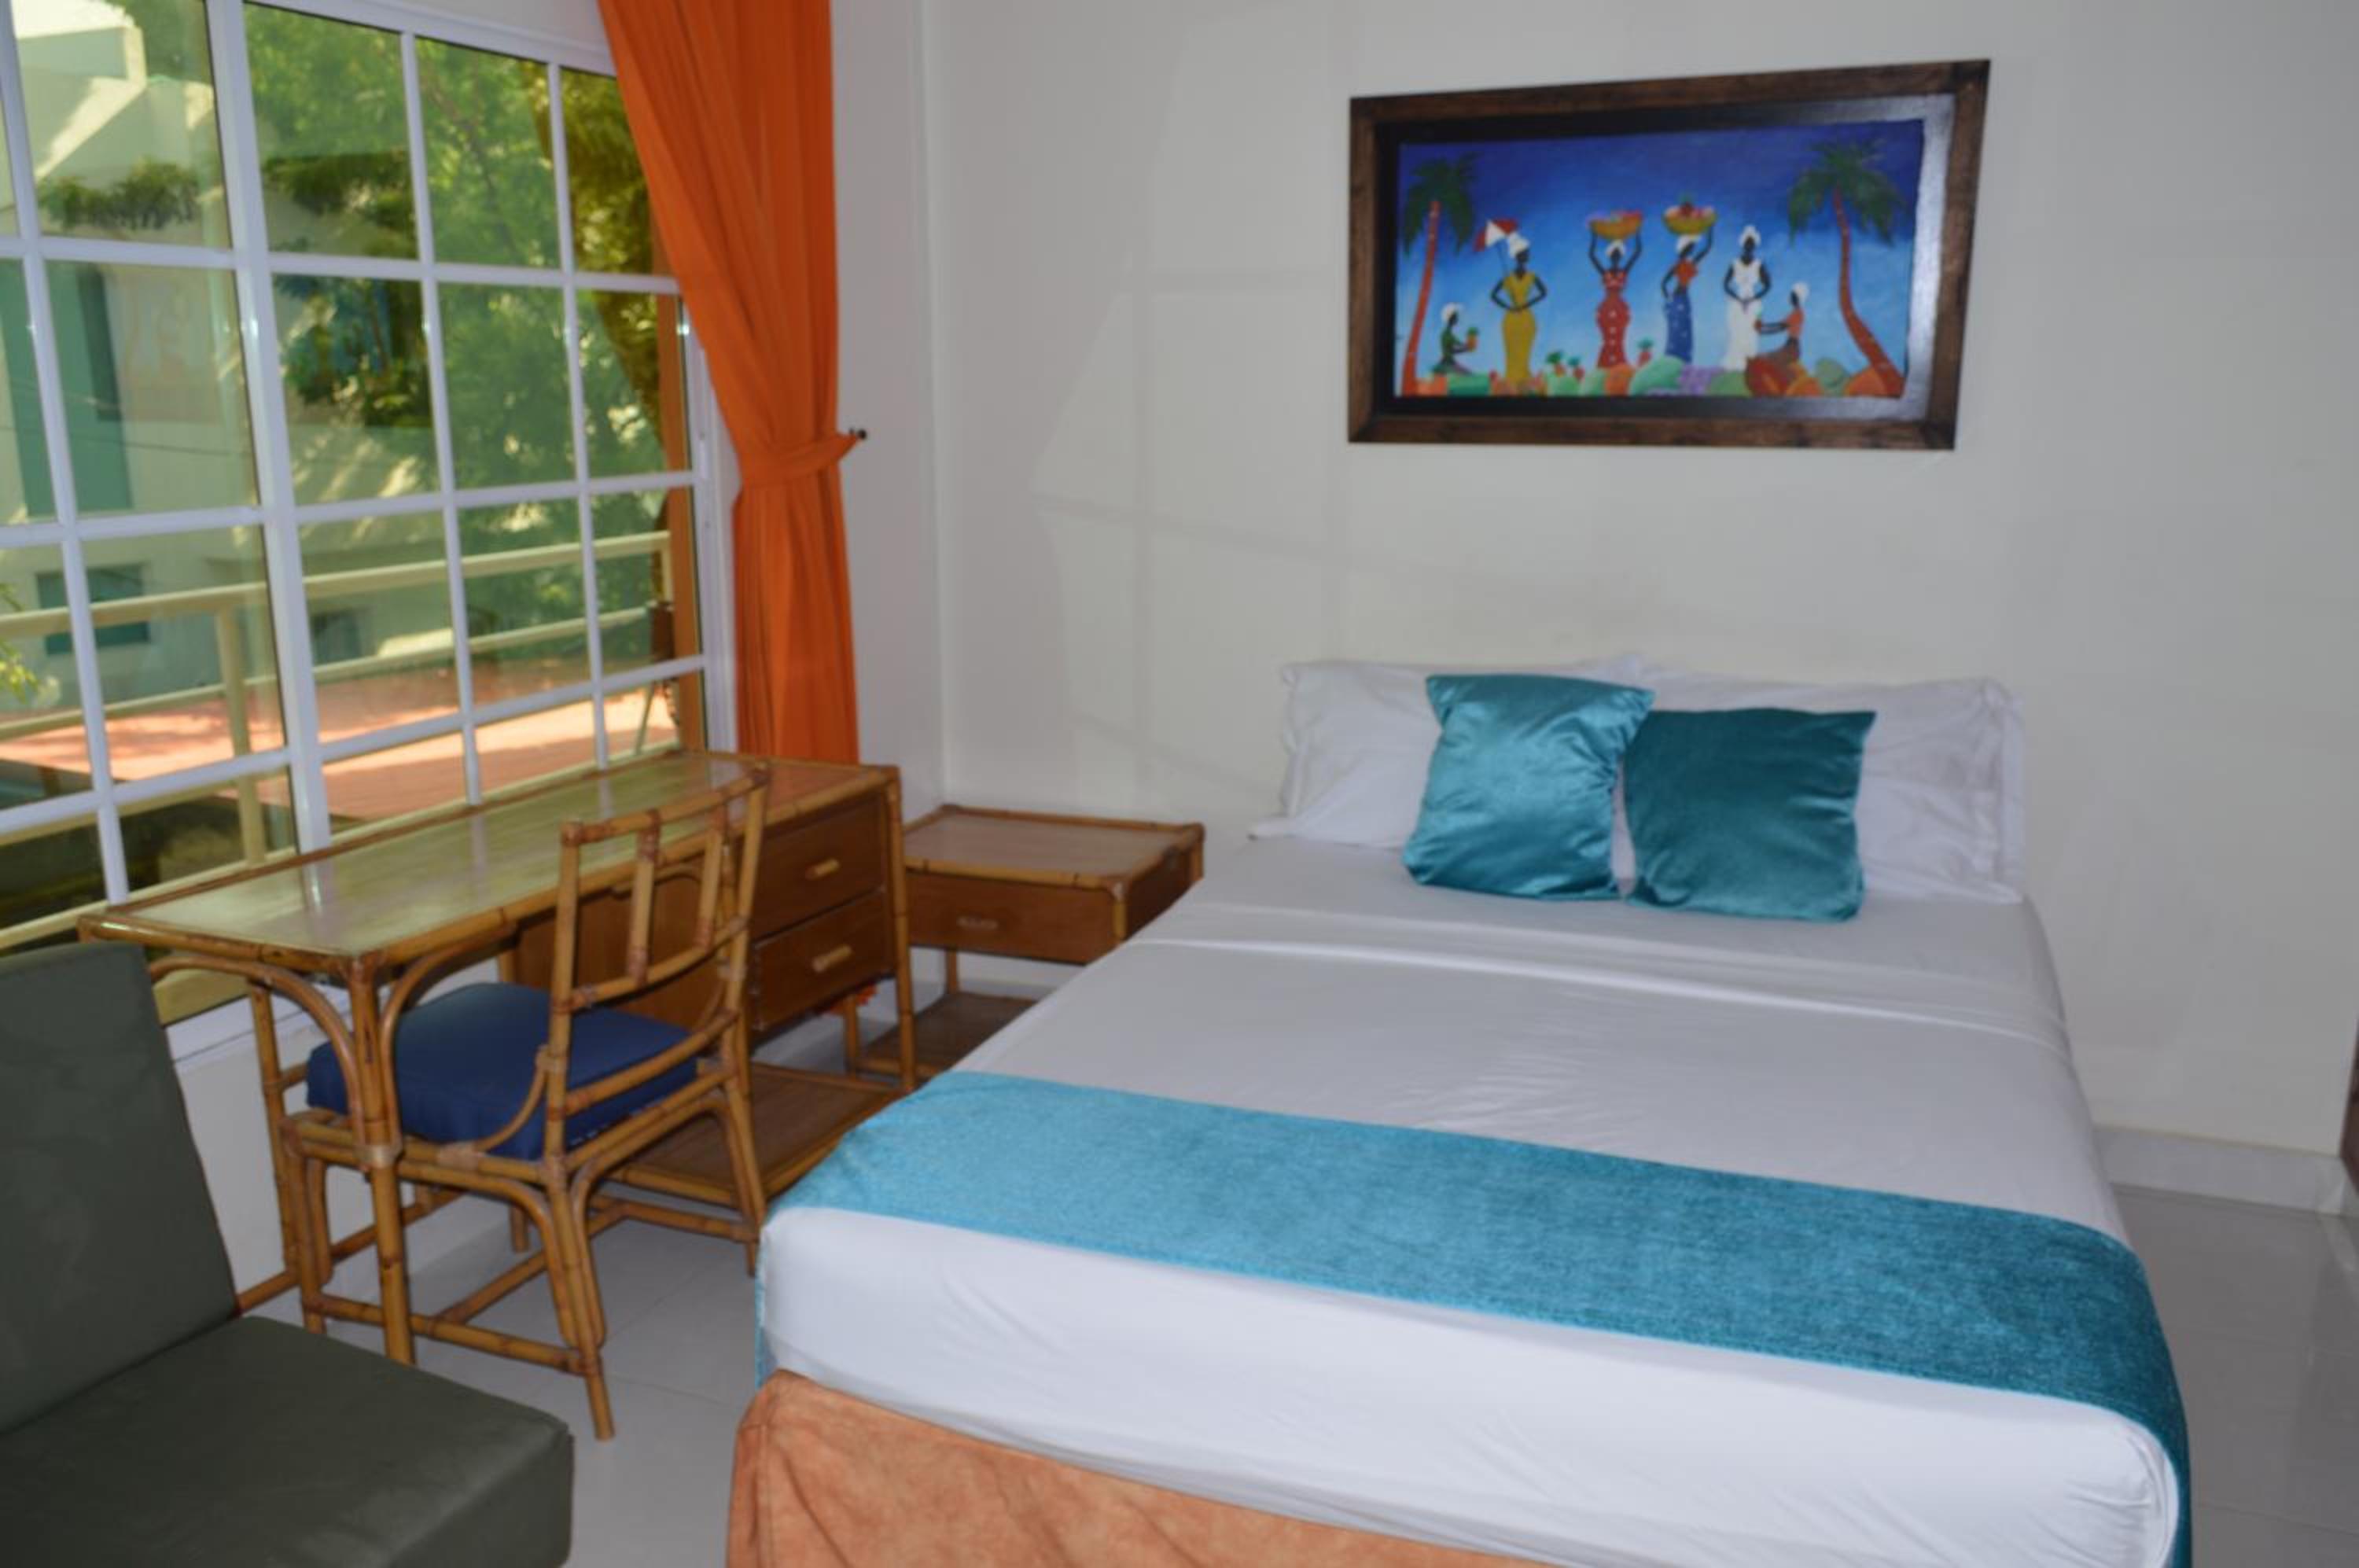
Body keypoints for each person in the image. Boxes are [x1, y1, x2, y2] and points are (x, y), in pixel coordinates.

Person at [1489, 238, 1547, 384]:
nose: (1528, 255)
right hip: (1511, 319)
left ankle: (1524, 378)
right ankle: (1512, 380)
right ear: (1517, 255)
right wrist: (1508, 307)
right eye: (1525, 252)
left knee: (1525, 350)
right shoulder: (1508, 278)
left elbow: (1544, 292)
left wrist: (1526, 305)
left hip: (1527, 319)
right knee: (1512, 351)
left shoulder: (1532, 276)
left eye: (1527, 252)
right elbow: (1493, 295)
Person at [1587, 229, 1640, 370]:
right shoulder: (1605, 273)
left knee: (1618, 338)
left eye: (1618, 255)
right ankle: (1604, 367)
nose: (1615, 257)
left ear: (1621, 257)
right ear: (1610, 256)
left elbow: (1637, 253)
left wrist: (1637, 233)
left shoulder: (1624, 272)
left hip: (1620, 309)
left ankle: (1619, 365)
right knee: (1607, 339)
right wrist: (1594, 235)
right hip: (1606, 309)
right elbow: (1592, 256)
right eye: (1613, 254)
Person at [1720, 224, 1771, 370]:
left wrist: (1754, 298)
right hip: (1737, 302)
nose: (1749, 246)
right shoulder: (1735, 263)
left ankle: (1748, 365)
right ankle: (1734, 365)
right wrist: (1737, 298)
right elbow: (1725, 284)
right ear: (1743, 245)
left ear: (1754, 246)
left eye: (1751, 243)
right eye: (1747, 243)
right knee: (1736, 331)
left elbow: (1768, 285)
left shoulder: (1759, 264)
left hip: (1753, 303)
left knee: (1750, 332)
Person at [1659, 228, 1712, 363]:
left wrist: (1709, 230)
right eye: (1689, 248)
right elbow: (1663, 284)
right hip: (1677, 299)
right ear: (1683, 249)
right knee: (1677, 330)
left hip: (1684, 299)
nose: (1691, 250)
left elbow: (1706, 249)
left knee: (1685, 329)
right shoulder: (1677, 265)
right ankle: (1673, 359)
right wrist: (1669, 299)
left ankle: (1684, 360)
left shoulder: (1690, 263)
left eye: (1691, 248)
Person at [1430, 304, 1477, 376]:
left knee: (1469, 375)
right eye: (1456, 317)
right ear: (1452, 318)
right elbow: (1454, 348)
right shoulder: (1446, 334)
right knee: (1469, 376)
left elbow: (1452, 350)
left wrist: (1466, 348)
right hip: (1447, 363)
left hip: (1449, 362)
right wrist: (1467, 346)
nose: (1458, 319)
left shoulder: (1448, 334)